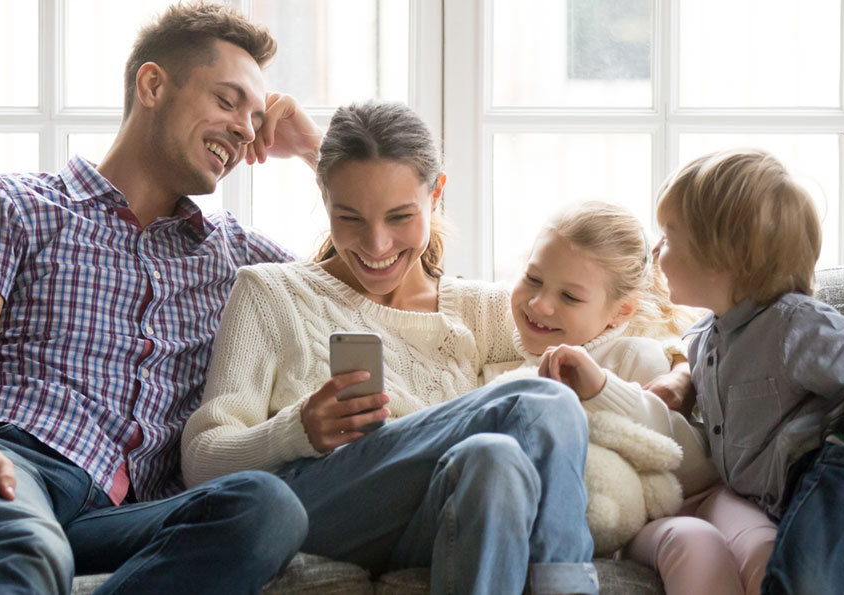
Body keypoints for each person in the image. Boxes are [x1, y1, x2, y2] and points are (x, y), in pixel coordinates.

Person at [0, 3, 325, 593]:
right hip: (1, 455)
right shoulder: (13, 203)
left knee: (267, 507)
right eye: (227, 100)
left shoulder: (237, 257)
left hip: (120, 514)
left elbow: (387, 272)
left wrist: (320, 150)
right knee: (27, 549)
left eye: (257, 115)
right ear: (153, 85)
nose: (246, 128)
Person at [181, 100, 600, 595]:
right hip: (321, 512)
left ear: (436, 194)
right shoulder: (272, 293)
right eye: (350, 217)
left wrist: (681, 369)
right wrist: (297, 431)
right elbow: (201, 460)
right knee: (540, 401)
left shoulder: (485, 310)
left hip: (430, 523)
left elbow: (604, 352)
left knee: (495, 460)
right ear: (323, 195)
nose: (376, 245)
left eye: (400, 217)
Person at [651, 149, 844, 594]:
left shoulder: (794, 324)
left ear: (720, 257)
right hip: (830, 522)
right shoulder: (703, 339)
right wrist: (682, 381)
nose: (656, 248)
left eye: (669, 235)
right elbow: (698, 369)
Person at [484, 201, 777, 595]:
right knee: (694, 542)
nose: (540, 304)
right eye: (533, 279)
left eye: (570, 297)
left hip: (705, 494)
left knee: (764, 546)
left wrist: (603, 389)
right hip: (640, 522)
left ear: (620, 312)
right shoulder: (503, 376)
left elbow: (692, 465)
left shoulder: (635, 355)